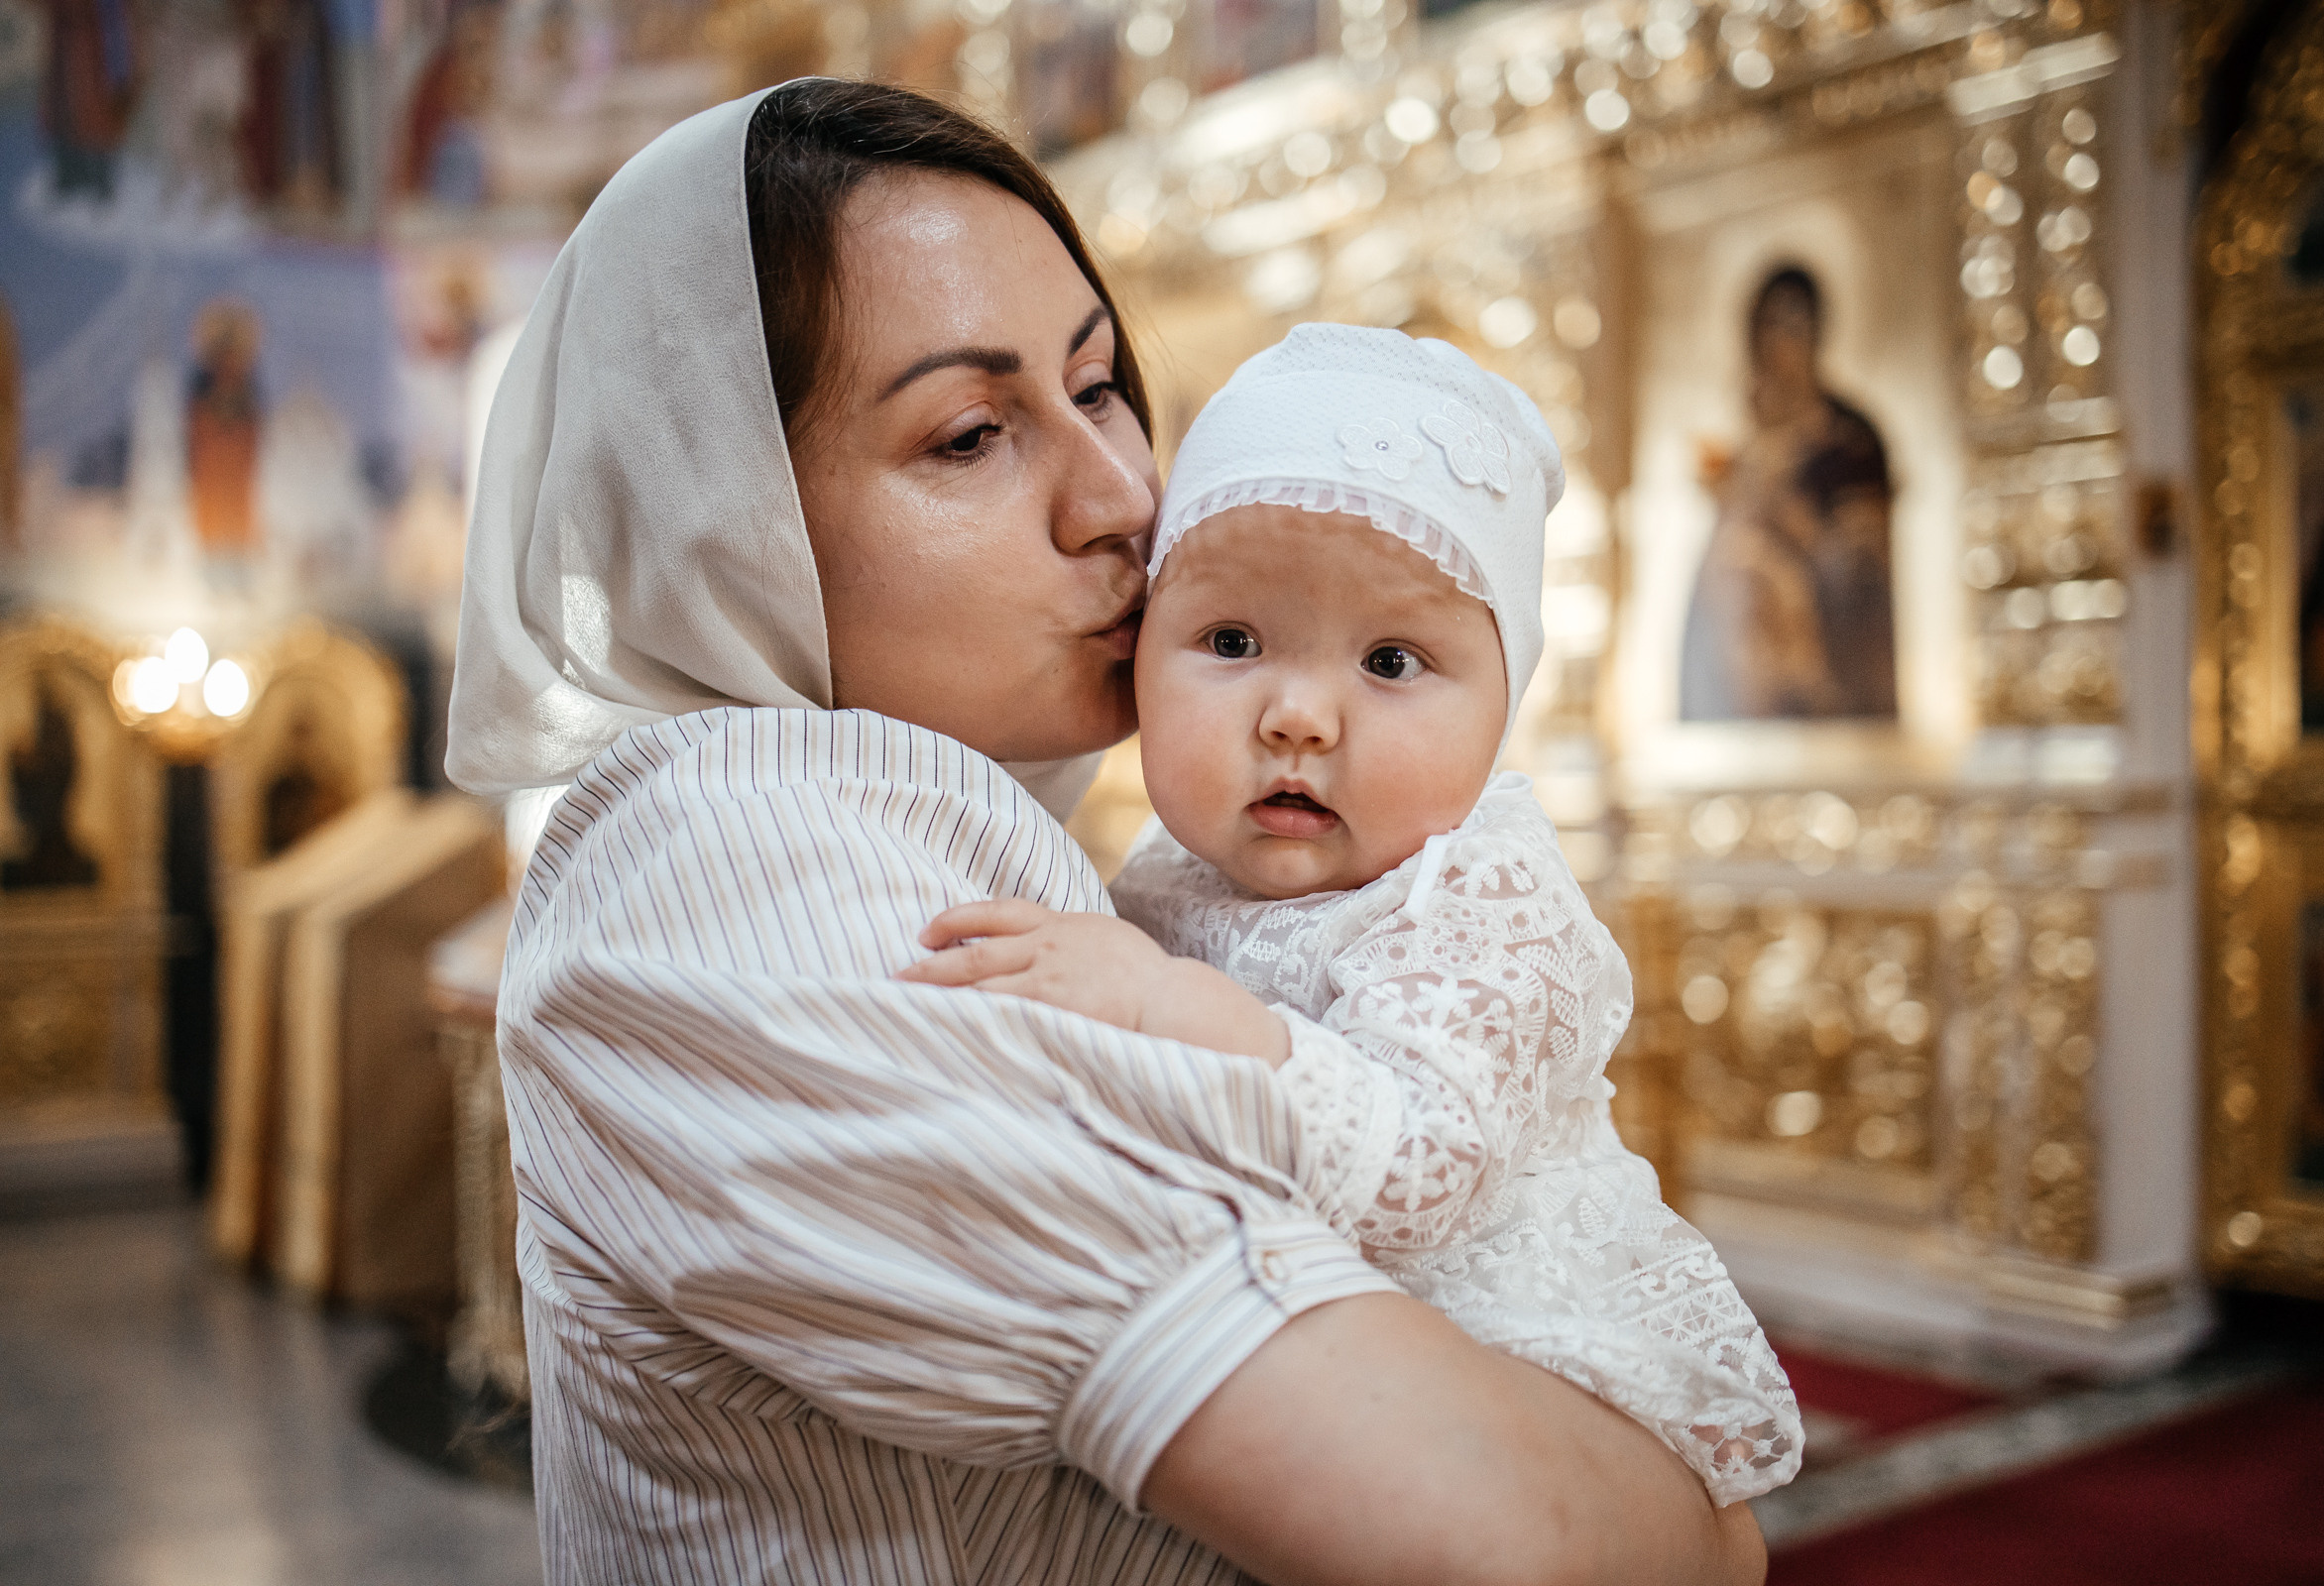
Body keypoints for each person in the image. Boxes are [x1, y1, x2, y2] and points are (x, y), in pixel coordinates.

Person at [447, 77, 1766, 1585]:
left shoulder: (949, 837)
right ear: (721, 517)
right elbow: (1536, 1544)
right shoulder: (727, 857)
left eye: (1096, 386)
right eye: (967, 436)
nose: (1125, 495)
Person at [901, 324, 1802, 1506]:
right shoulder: (1171, 864)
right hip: (1287, 1391)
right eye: (1230, 641)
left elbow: (1417, 1176)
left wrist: (1170, 1004)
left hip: (1520, 1396)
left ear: (1502, 708)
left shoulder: (1478, 894)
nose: (1298, 716)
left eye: (1390, 661)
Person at [1680, 265, 1896, 722]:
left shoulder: (1850, 442)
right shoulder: (1739, 438)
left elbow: (1862, 564)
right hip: (1737, 647)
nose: (1779, 345)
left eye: (1794, 326)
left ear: (1818, 334)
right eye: (1768, 328)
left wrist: (1788, 519)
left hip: (1825, 633)